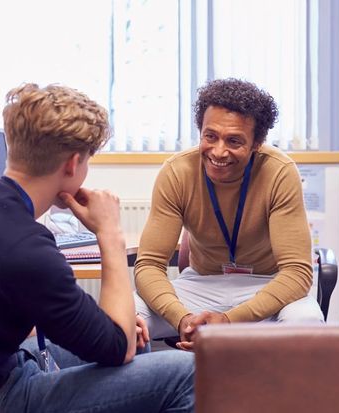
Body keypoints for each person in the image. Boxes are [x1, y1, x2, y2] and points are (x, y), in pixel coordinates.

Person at [0, 83, 194, 412]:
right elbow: (117, 347)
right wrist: (110, 232)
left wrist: (117, 333)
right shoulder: (26, 248)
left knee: (138, 341)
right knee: (188, 372)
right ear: (72, 164)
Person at [134, 78, 324, 351]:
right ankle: (154, 390)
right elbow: (149, 265)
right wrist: (183, 319)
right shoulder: (177, 172)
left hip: (266, 285)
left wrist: (230, 320)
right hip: (201, 285)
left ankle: (279, 395)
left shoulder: (279, 172)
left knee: (306, 323)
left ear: (257, 142)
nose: (219, 151)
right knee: (126, 316)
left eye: (234, 141)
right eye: (210, 136)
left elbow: (296, 273)